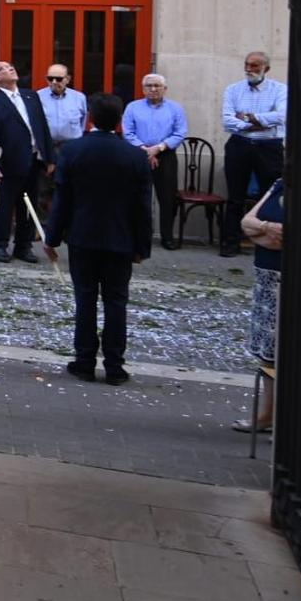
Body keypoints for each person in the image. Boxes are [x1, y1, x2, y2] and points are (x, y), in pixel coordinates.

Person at [44, 92, 152, 385]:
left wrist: (51, 237)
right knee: (116, 303)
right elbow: (143, 206)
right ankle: (115, 366)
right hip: (121, 238)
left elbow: (62, 198)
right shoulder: (135, 156)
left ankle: (85, 361)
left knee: (86, 299)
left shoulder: (73, 151)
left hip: (83, 236)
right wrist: (143, 246)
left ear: (90, 116)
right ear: (119, 121)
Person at [0, 61, 53, 262]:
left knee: (28, 206)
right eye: (3, 69)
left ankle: (23, 246)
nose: (10, 68)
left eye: (10, 66)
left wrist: (50, 157)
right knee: (2, 206)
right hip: (7, 162)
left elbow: (42, 127)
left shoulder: (30, 96)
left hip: (33, 160)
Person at [220, 52, 287, 259]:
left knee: (268, 195)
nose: (249, 69)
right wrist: (257, 123)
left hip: (269, 146)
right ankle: (230, 243)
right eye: (247, 65)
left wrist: (249, 117)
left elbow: (282, 116)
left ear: (266, 68)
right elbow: (228, 120)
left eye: (255, 66)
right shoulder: (233, 89)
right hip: (239, 145)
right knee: (235, 196)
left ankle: (264, 241)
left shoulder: (280, 90)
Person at [234, 177, 284, 433]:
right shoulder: (280, 184)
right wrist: (265, 227)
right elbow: (247, 223)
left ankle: (282, 420)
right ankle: (266, 414)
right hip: (266, 279)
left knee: (284, 353)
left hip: (285, 278)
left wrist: (261, 233)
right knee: (267, 352)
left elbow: (286, 239)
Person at [122, 74, 188, 250]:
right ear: (143, 89)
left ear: (165, 89)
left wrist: (158, 148)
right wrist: (145, 149)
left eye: (157, 86)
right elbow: (128, 132)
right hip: (138, 155)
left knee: (167, 198)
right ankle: (139, 235)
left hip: (165, 155)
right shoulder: (132, 107)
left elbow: (180, 133)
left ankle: (167, 237)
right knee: (138, 197)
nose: (153, 89)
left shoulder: (175, 109)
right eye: (149, 86)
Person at [36, 65, 86, 160]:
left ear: (67, 79)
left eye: (58, 79)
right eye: (50, 79)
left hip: (73, 149)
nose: (54, 82)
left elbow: (83, 121)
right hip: (47, 150)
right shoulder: (38, 96)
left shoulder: (79, 98)